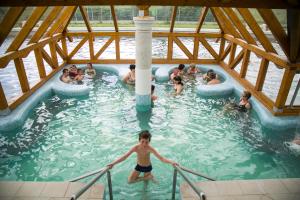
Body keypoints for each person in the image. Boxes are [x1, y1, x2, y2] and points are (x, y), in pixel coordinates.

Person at [107, 130, 177, 183]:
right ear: (139, 140)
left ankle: (147, 181)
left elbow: (161, 158)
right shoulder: (136, 148)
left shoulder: (150, 148)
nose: (144, 144)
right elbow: (125, 156)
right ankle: (148, 177)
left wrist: (172, 162)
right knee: (130, 181)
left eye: (146, 142)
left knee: (145, 185)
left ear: (149, 141)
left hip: (147, 167)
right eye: (142, 141)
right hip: (139, 166)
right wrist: (113, 163)